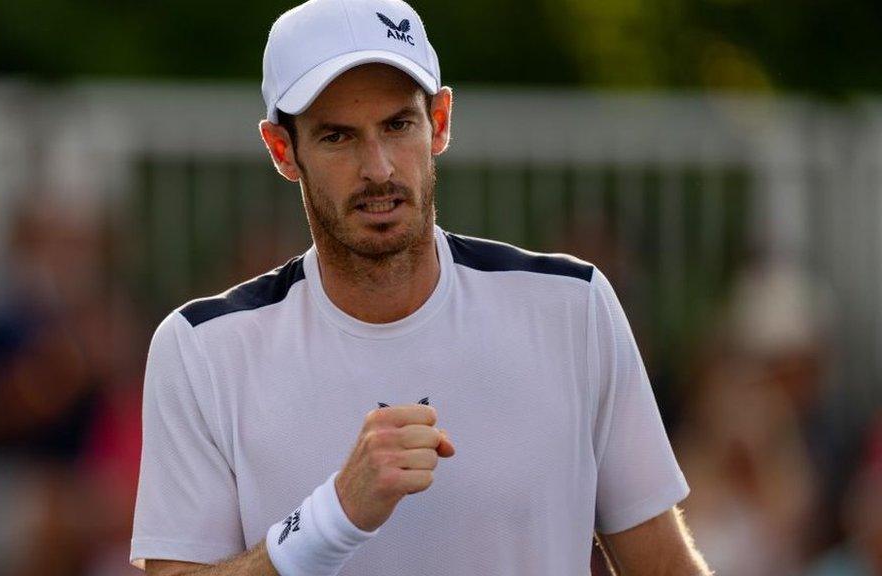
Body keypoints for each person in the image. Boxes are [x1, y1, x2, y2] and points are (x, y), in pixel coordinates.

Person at [130, 0, 712, 573]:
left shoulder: (572, 305)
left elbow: (662, 567)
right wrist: (330, 519)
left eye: (398, 124)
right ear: (283, 151)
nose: (379, 168)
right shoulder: (201, 349)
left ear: (439, 122)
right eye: (337, 137)